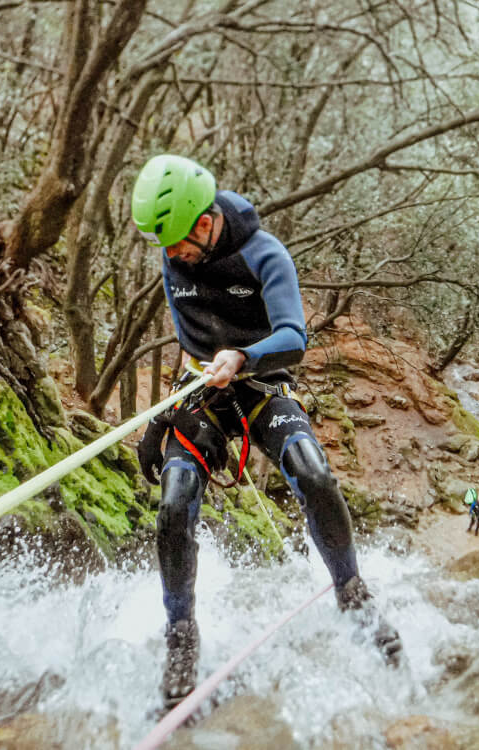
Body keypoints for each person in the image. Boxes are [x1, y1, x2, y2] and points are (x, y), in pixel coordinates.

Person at [131, 154, 403, 711]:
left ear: (205, 222)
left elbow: (294, 337)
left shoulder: (264, 254)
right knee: (175, 503)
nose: (171, 254)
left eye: (179, 241)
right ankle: (180, 633)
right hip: (205, 384)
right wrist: (169, 411)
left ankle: (352, 592)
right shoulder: (172, 257)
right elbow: (192, 342)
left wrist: (243, 357)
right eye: (164, 244)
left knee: (313, 472)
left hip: (262, 378)